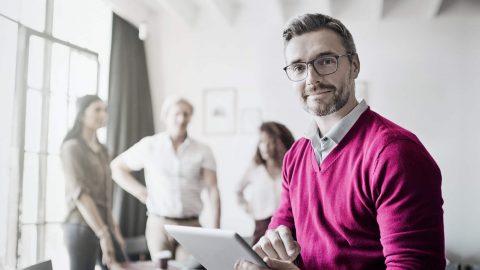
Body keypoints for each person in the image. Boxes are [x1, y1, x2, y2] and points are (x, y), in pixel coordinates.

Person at [236, 13, 444, 270]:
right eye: (299, 67)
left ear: (354, 66)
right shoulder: (295, 156)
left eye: (325, 61)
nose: (311, 78)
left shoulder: (395, 153)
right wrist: (266, 256)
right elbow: (280, 235)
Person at [110, 97, 221, 261]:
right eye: (177, 114)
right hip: (158, 224)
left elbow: (213, 189)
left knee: (188, 267)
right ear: (166, 116)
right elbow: (116, 168)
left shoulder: (203, 150)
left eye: (186, 114)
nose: (182, 118)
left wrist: (215, 229)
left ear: (190, 117)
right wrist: (141, 192)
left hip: (191, 225)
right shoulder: (150, 145)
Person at [61, 95, 126, 270]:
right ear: (82, 115)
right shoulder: (71, 148)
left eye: (105, 110)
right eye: (97, 109)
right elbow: (80, 195)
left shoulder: (103, 150)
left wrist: (114, 230)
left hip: (104, 226)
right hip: (81, 226)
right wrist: (103, 234)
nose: (103, 114)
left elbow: (106, 197)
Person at [236, 122, 295, 245]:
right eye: (262, 142)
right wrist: (251, 210)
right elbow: (237, 190)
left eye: (270, 142)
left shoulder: (292, 168)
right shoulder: (255, 169)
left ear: (281, 143)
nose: (265, 147)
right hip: (261, 228)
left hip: (288, 230)